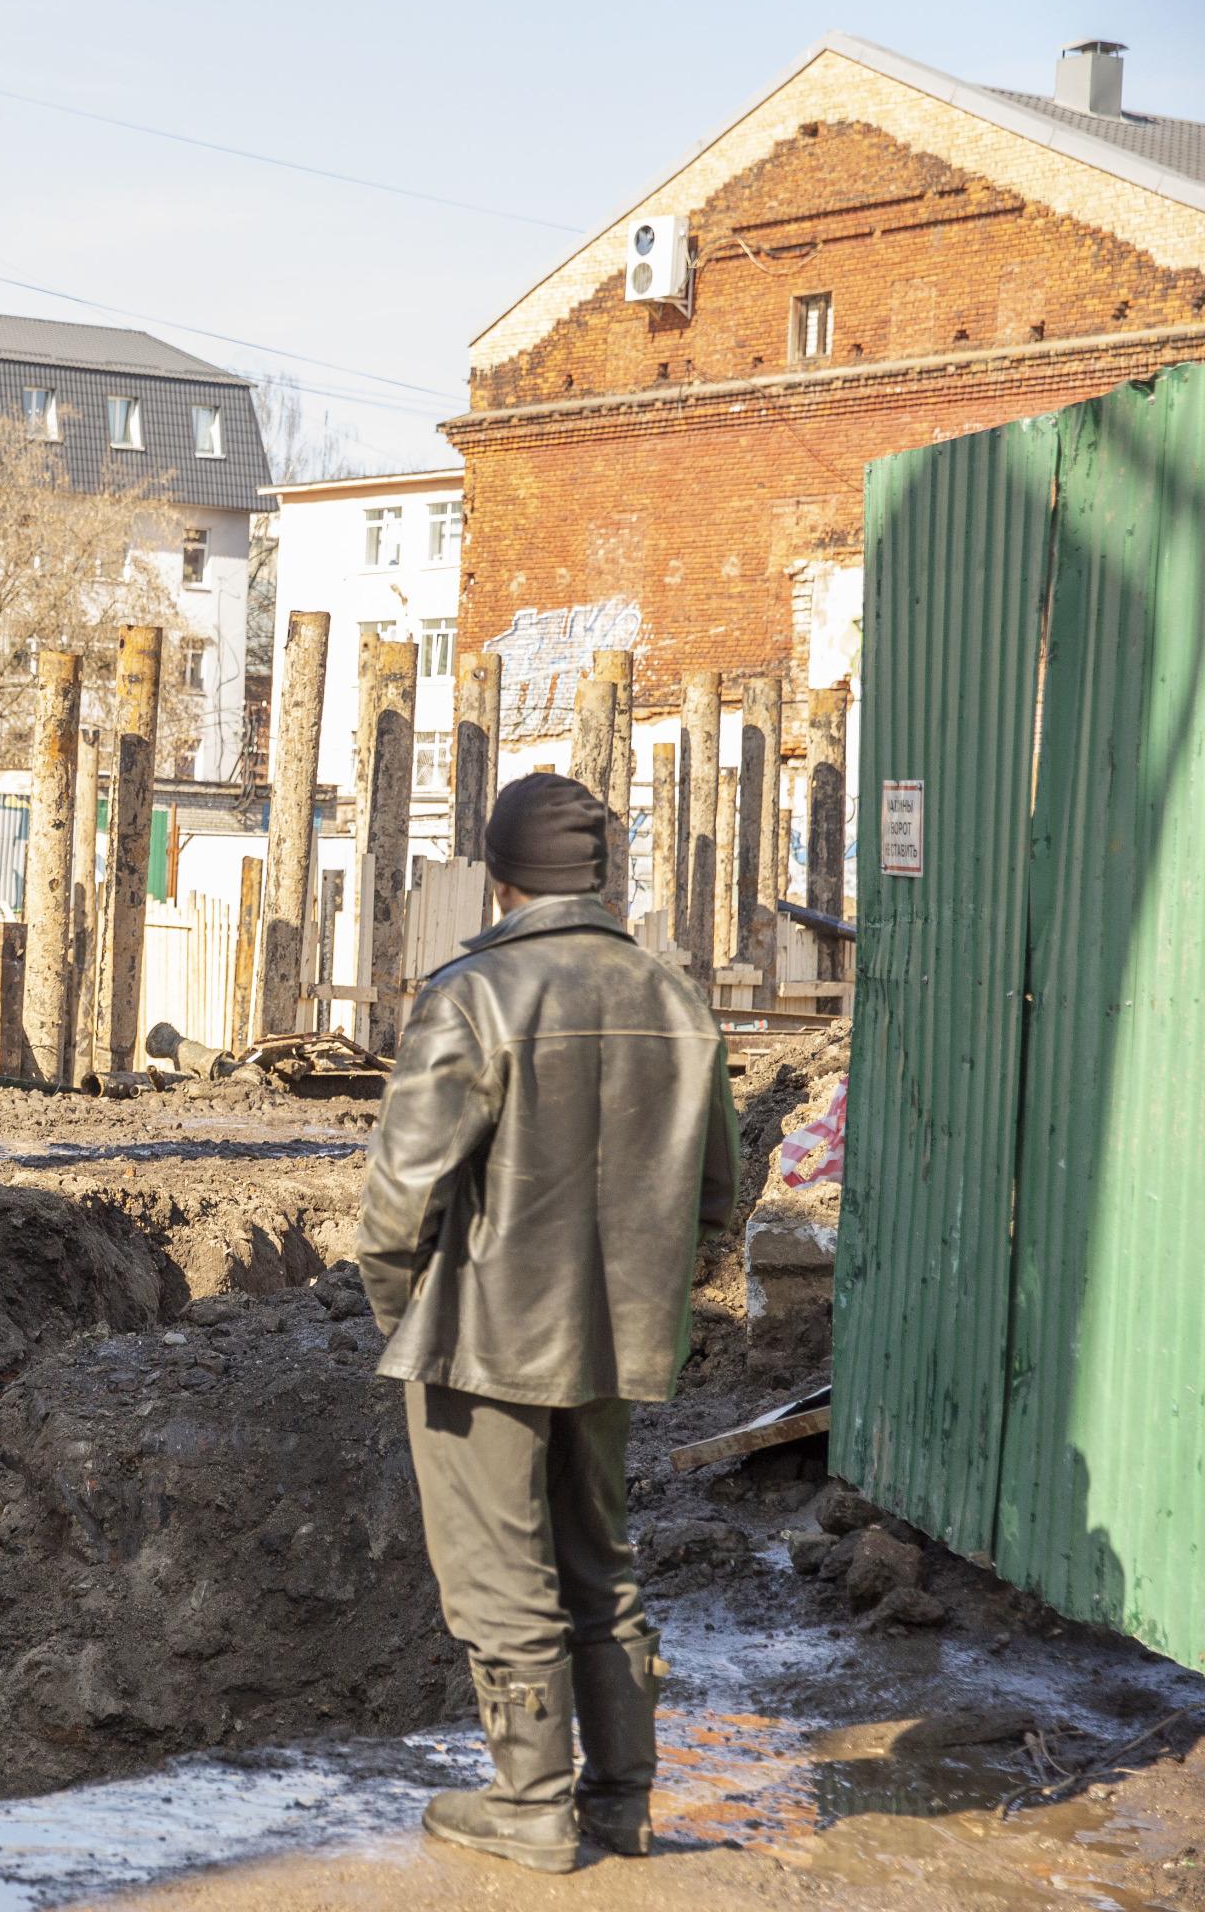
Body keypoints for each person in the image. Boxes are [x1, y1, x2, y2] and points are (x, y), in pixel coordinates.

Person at [357, 770, 736, 1873]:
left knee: (500, 1574)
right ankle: (622, 1800)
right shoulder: (675, 996)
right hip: (617, 1339)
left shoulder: (475, 992)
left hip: (483, 1335)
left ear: (500, 875)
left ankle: (529, 1805)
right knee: (601, 1561)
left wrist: (407, 1319)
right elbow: (716, 1194)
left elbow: (398, 1199)